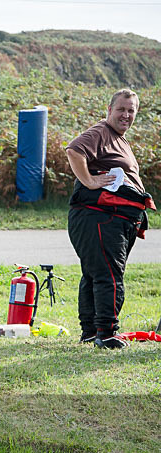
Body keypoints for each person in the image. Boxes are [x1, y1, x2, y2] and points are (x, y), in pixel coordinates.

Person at [66, 88, 155, 349]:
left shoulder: (118, 138)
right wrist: (90, 181)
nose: (126, 115)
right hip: (100, 217)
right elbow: (74, 151)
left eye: (131, 111)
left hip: (113, 219)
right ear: (109, 110)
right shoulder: (101, 131)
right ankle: (106, 333)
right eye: (121, 109)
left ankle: (91, 332)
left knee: (95, 274)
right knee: (109, 275)